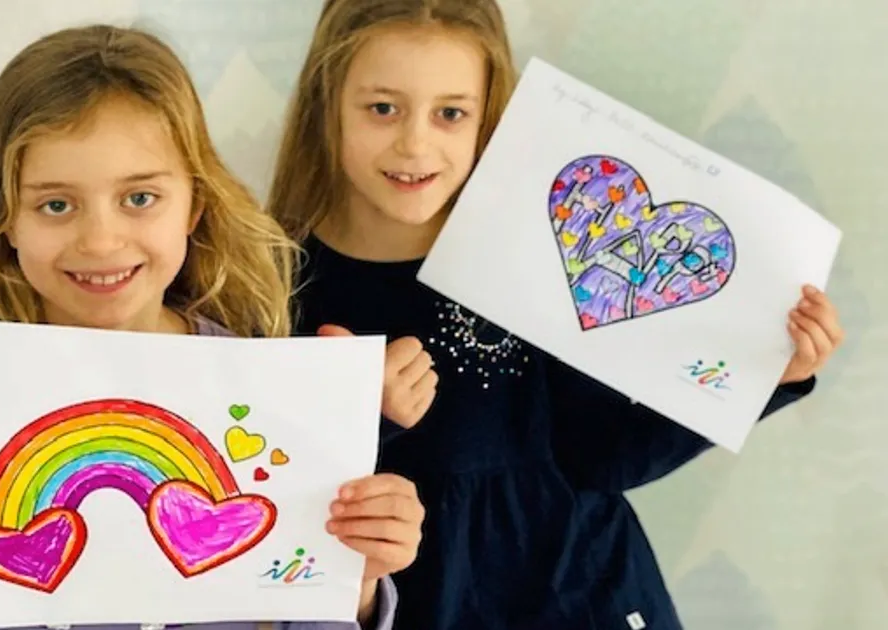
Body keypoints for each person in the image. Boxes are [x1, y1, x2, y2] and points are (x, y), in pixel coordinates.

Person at [0, 25, 426, 630]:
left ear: (195, 204)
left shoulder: (265, 399)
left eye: (139, 198)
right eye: (56, 205)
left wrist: (357, 580)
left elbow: (299, 602)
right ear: (4, 221)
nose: (101, 241)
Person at [268, 1, 845, 628]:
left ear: (489, 115)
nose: (415, 143)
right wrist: (369, 417)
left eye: (451, 113)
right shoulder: (275, 282)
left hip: (586, 596)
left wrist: (769, 375)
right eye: (383, 108)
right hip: (409, 607)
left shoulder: (546, 249)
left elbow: (607, 456)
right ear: (327, 103)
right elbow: (282, 496)